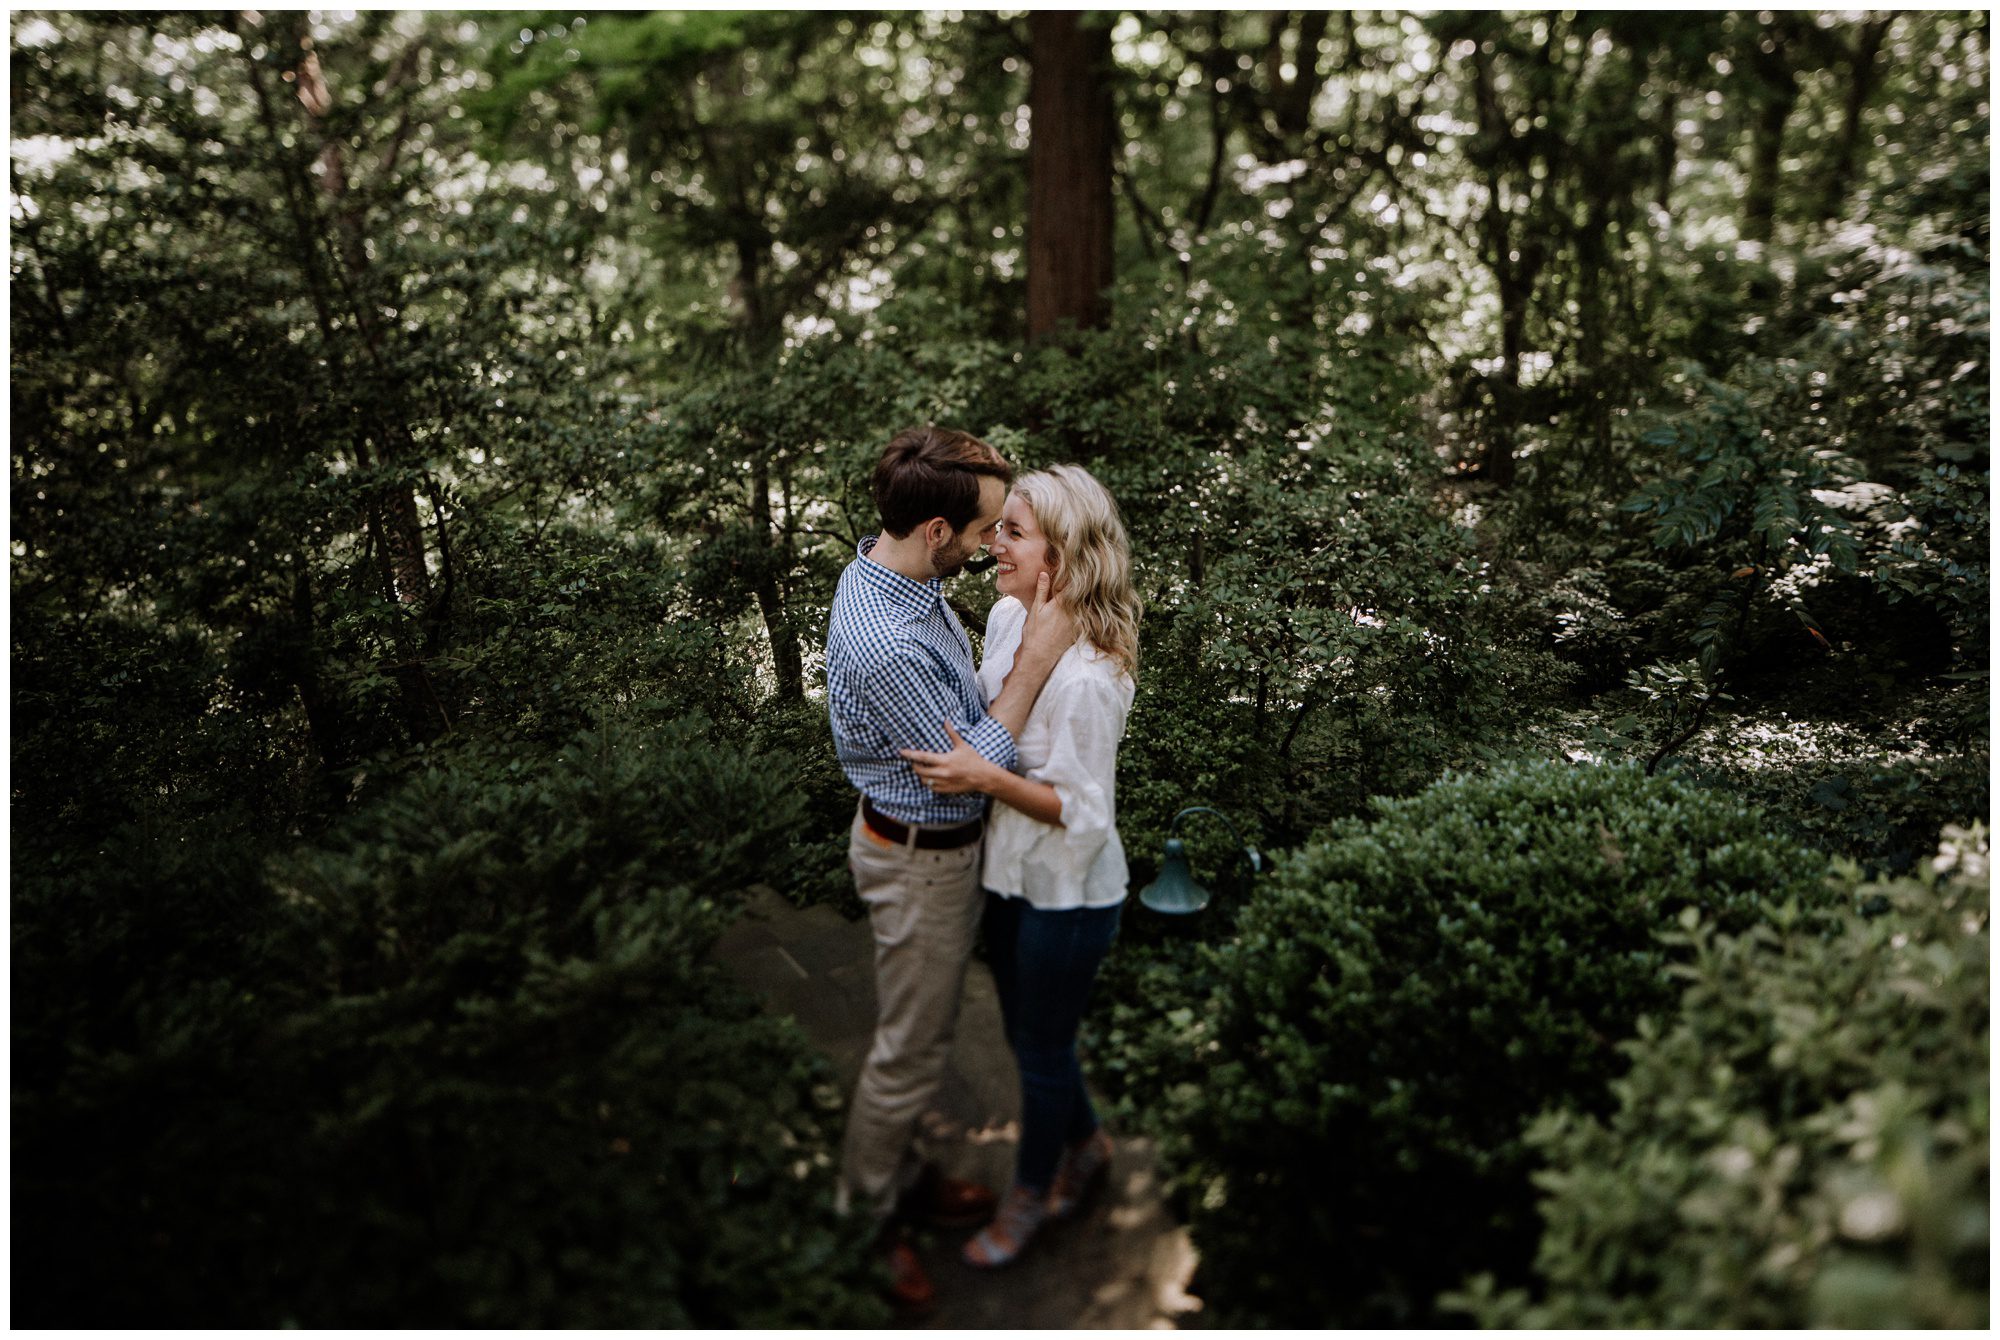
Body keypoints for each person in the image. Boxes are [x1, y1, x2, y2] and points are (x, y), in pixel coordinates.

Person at [823, 426, 1078, 1310]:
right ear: (936, 531)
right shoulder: (886, 643)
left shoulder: (889, 570)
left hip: (929, 847)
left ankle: (906, 1177)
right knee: (912, 1049)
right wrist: (1037, 658)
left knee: (919, 1033)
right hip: (919, 863)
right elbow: (968, 763)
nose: (991, 542)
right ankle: (866, 1220)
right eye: (982, 530)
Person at [900, 464, 1141, 1268]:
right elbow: (987, 715)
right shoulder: (1007, 618)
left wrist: (986, 778)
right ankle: (1089, 1145)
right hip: (1007, 874)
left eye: (1014, 532)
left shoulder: (1091, 678)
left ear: (1061, 558)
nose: (993, 544)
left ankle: (1031, 1195)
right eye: (998, 528)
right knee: (1028, 1035)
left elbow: (1083, 812)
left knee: (1040, 1053)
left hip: (1067, 894)